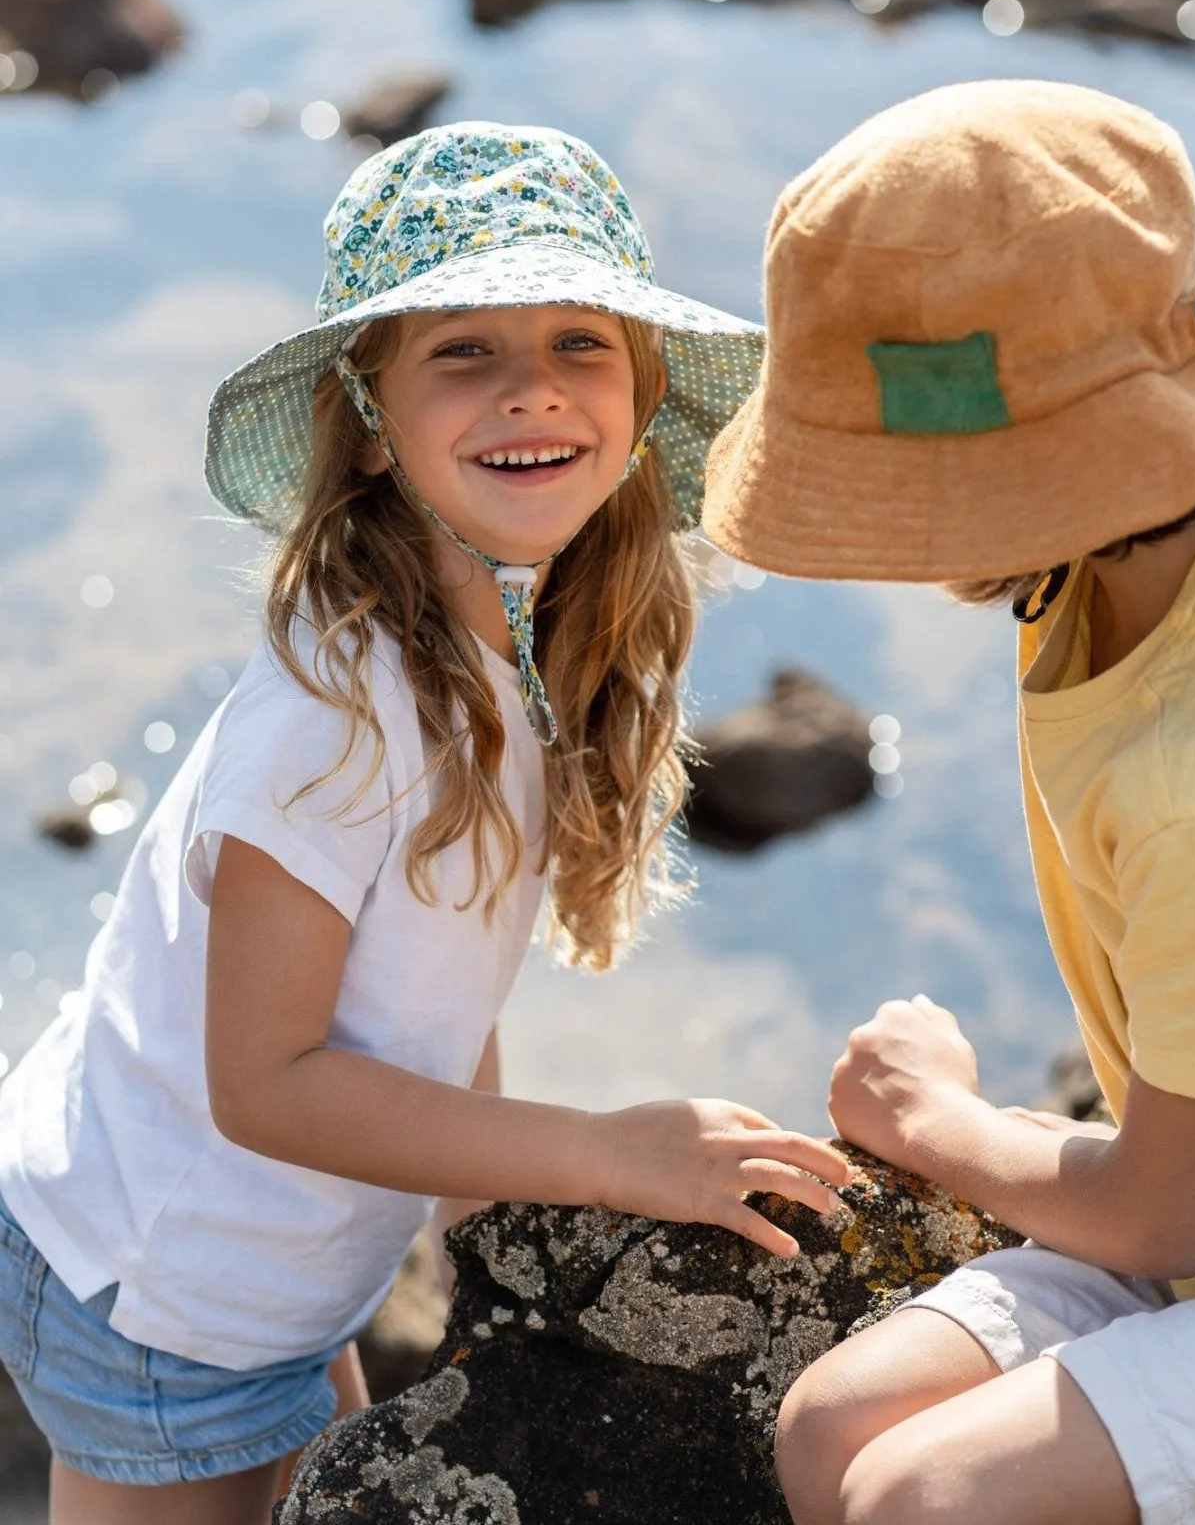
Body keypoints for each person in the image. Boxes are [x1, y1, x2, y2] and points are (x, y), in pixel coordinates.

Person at [0, 122, 849, 1523]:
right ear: (373, 418)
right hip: (162, 1287)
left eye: (581, 341)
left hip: (269, 1257)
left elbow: (431, 992)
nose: (532, 391)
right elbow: (263, 1084)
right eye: (465, 350)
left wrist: (486, 1232)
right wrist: (600, 1153)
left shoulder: (519, 634)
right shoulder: (335, 716)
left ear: (639, 395)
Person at [701, 79, 1195, 1525]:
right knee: (831, 1437)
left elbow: (1156, 1213)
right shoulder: (1185, 492)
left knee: (923, 1498)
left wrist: (937, 1115)